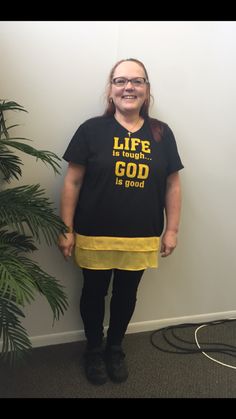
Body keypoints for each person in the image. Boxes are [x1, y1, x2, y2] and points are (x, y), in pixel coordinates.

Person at [58, 58, 184, 385]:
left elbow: (172, 183)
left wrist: (171, 229)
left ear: (147, 90)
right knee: (93, 293)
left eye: (137, 81)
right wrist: (66, 229)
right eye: (121, 81)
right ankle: (94, 350)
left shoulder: (161, 133)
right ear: (110, 89)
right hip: (94, 233)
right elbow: (72, 182)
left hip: (140, 235)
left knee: (127, 295)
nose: (129, 87)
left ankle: (115, 348)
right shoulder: (91, 130)